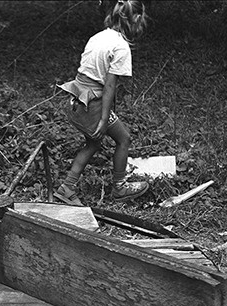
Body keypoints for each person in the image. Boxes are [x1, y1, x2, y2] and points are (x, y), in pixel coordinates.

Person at [55, 0, 149, 205]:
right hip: (92, 105)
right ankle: (119, 187)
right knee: (123, 139)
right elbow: (109, 87)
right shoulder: (121, 47)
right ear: (136, 20)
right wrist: (104, 119)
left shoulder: (99, 36)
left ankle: (67, 188)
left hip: (77, 99)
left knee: (93, 143)